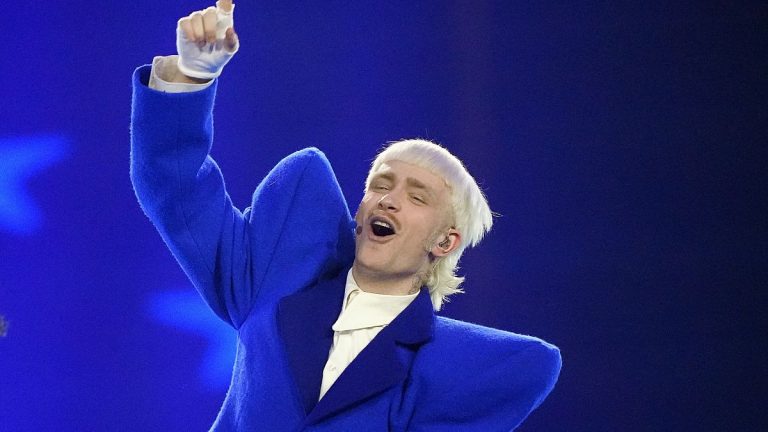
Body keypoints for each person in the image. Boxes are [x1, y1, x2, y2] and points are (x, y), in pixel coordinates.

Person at [130, 1, 561, 430]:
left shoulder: (449, 366)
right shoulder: (276, 280)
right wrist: (193, 77)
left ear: (445, 241)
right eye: (381, 185)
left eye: (417, 197)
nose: (388, 200)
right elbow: (174, 188)